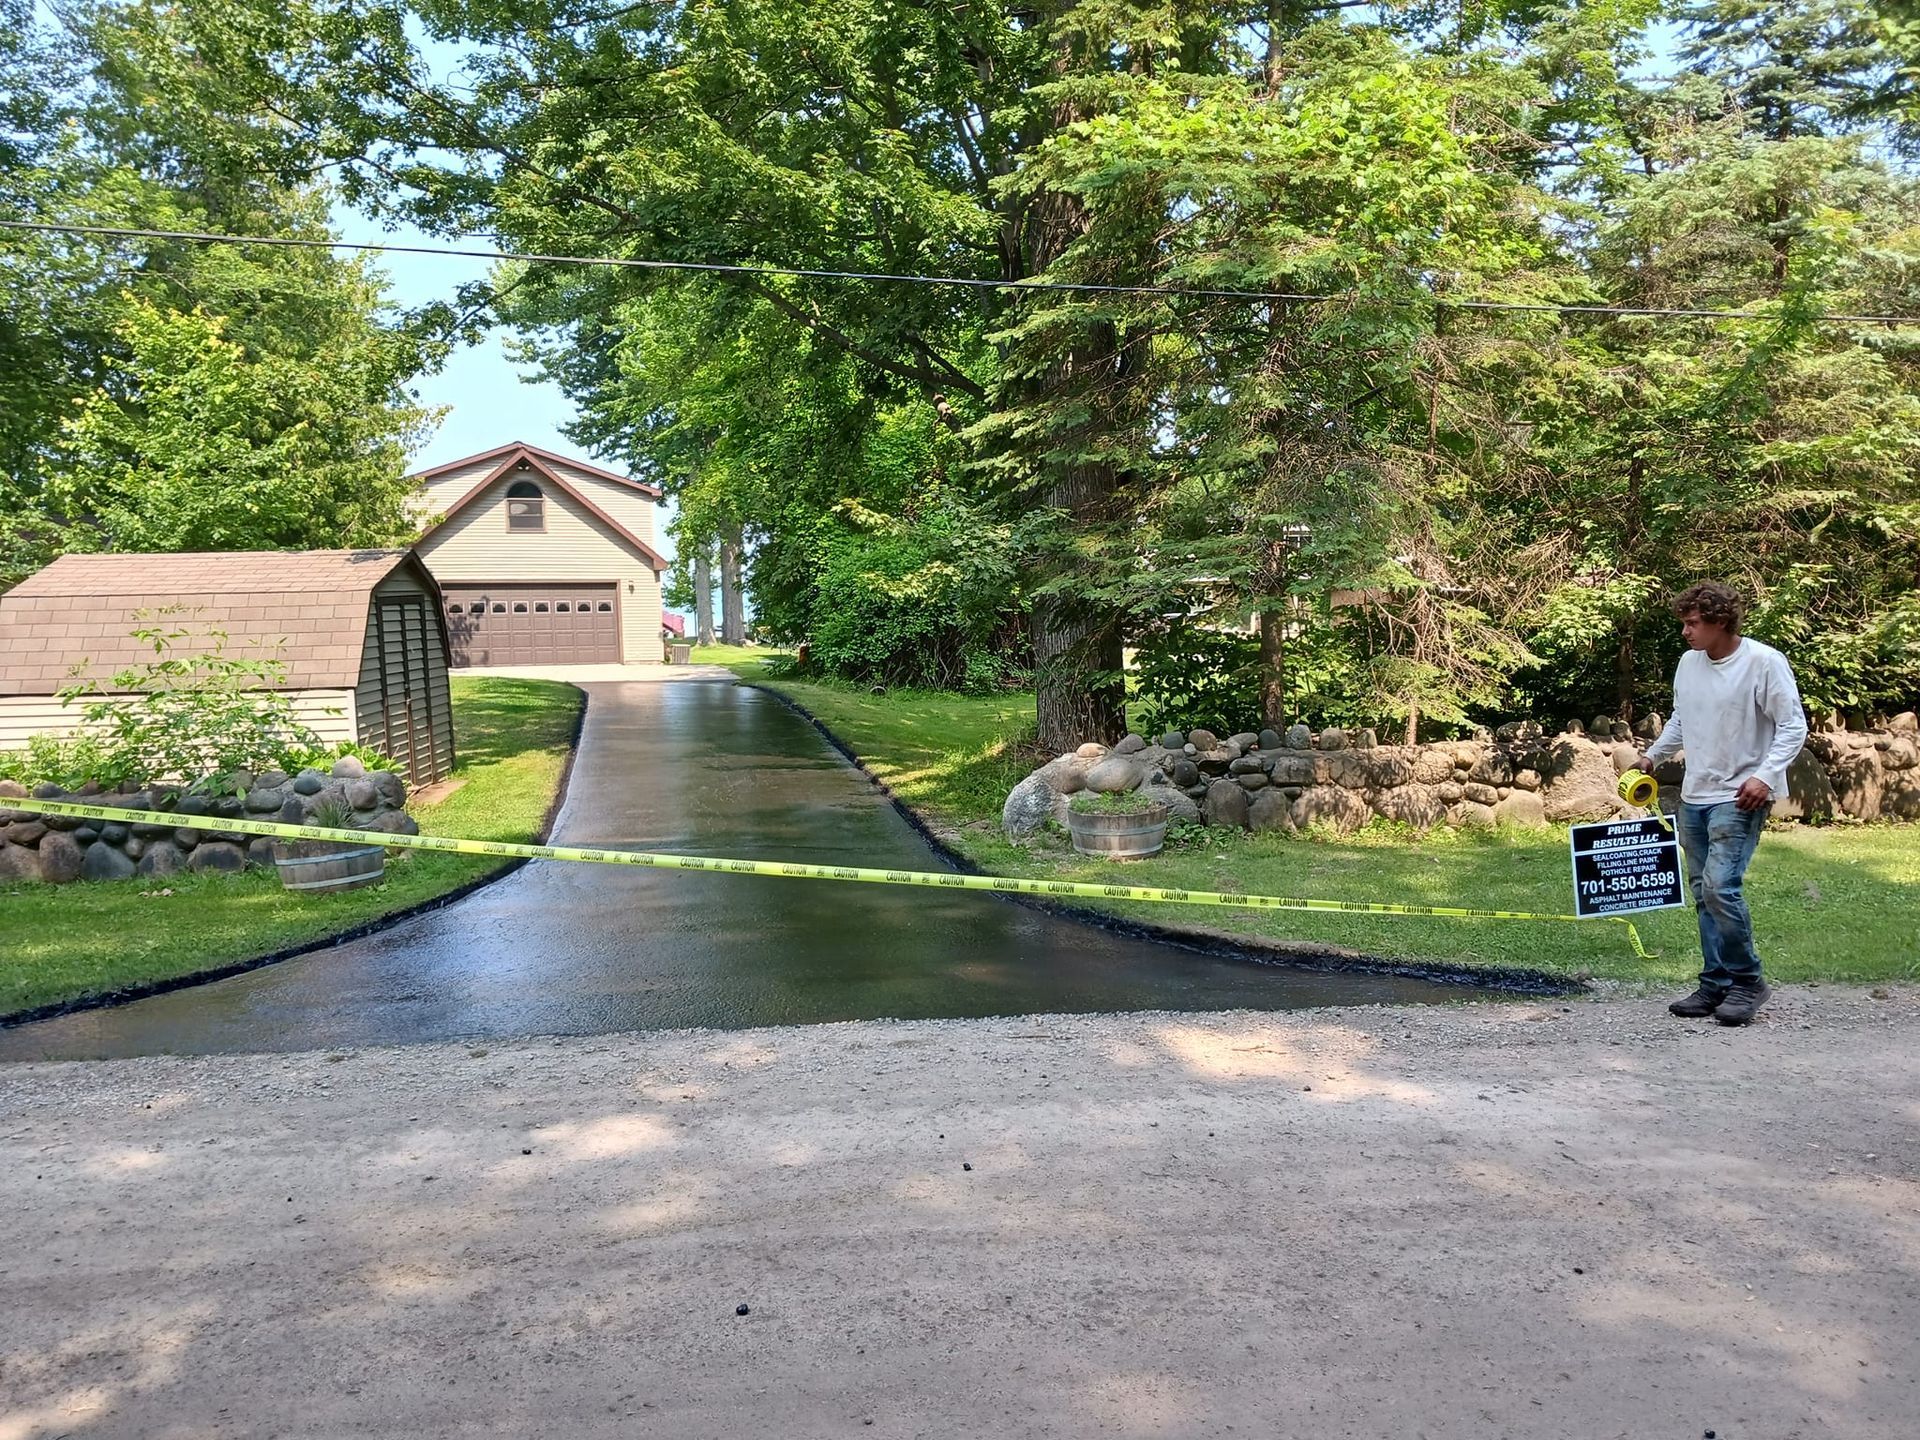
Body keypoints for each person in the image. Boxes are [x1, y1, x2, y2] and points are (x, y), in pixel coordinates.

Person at [1639, 581, 1807, 1027]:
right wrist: (1652, 755)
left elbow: (1793, 726)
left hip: (1740, 794)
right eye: (1685, 623)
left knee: (1720, 887)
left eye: (1693, 623)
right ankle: (1715, 983)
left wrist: (1765, 777)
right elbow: (1681, 718)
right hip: (1695, 795)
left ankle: (1747, 981)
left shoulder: (1763, 662)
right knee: (1702, 893)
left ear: (1721, 621)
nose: (1686, 632)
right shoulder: (1689, 664)